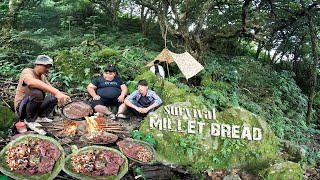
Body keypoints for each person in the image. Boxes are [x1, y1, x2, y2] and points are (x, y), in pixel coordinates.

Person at [14, 55, 71, 130]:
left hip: (32, 108)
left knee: (53, 97)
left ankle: (41, 117)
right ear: (37, 64)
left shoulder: (42, 77)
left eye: (49, 67)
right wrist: (57, 92)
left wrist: (62, 96)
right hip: (21, 109)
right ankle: (29, 120)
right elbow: (30, 82)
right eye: (46, 66)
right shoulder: (27, 71)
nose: (48, 69)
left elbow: (51, 89)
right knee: (37, 93)